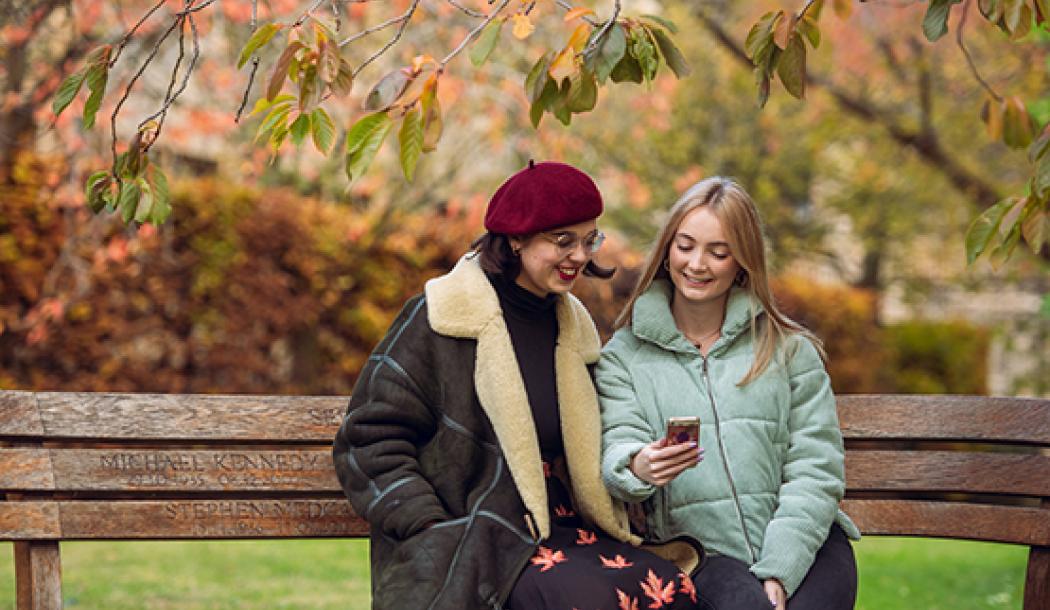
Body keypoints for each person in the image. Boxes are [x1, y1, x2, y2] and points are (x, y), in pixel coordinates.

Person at [333, 161, 701, 610]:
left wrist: (643, 460)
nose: (580, 256)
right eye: (563, 240)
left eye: (589, 240)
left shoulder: (574, 329)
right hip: (476, 533)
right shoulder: (441, 319)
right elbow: (368, 441)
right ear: (515, 238)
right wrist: (427, 527)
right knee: (590, 599)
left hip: (564, 527)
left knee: (672, 588)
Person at [596, 177, 861, 610]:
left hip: (807, 540)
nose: (697, 263)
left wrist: (780, 567)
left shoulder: (789, 351)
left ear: (742, 261)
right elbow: (618, 443)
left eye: (718, 252)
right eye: (685, 246)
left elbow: (816, 469)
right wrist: (638, 465)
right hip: (701, 554)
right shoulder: (624, 357)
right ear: (666, 251)